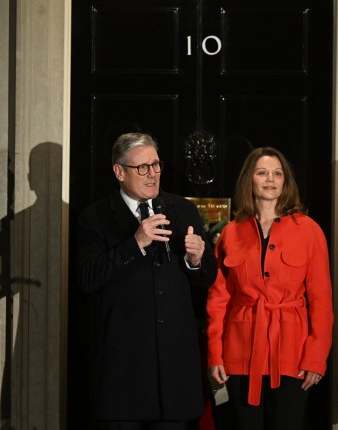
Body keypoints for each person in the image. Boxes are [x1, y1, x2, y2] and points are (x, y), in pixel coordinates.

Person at [76, 132, 217, 429]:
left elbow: (207, 277)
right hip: (124, 370)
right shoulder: (95, 217)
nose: (152, 174)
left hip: (173, 370)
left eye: (156, 165)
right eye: (142, 168)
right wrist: (135, 243)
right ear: (119, 172)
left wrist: (196, 260)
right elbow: (88, 278)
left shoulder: (183, 210)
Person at [206, 147, 334, 429]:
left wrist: (316, 357)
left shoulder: (309, 230)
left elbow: (322, 300)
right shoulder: (230, 232)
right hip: (239, 352)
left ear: (286, 181)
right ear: (249, 180)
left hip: (293, 352)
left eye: (278, 173)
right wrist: (215, 353)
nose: (270, 180)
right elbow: (218, 299)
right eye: (262, 173)